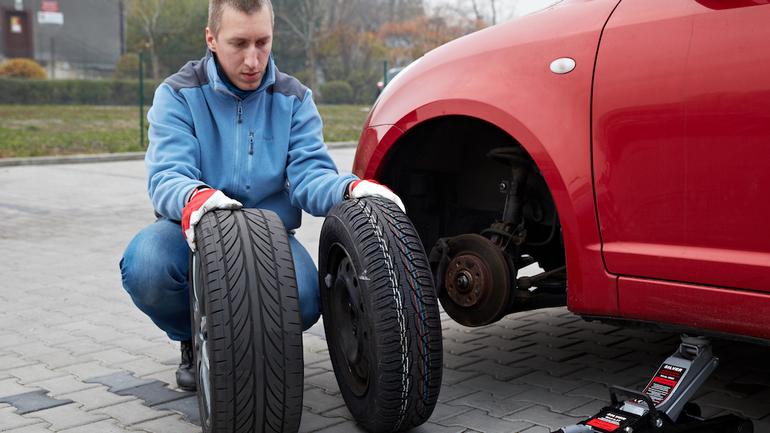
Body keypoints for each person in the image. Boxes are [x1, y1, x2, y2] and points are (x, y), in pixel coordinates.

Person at [119, 0, 404, 392]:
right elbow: (168, 175)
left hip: (269, 235)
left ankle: (246, 344)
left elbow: (309, 176)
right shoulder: (179, 94)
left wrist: (350, 187)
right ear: (212, 39)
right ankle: (195, 336)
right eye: (239, 44)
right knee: (146, 268)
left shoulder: (294, 98)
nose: (253, 60)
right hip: (195, 229)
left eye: (262, 42)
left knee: (304, 299)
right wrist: (198, 198)